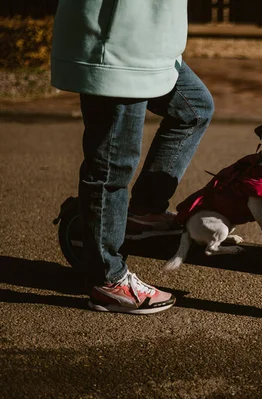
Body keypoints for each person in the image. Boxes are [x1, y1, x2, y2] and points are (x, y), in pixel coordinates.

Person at [51, 0, 214, 314]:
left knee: (194, 109)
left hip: (151, 40)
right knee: (112, 163)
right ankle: (107, 279)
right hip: (117, 41)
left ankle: (141, 211)